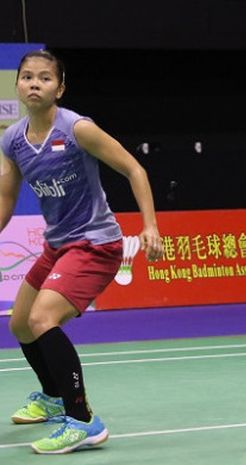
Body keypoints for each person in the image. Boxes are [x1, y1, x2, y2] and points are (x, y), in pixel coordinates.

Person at [0, 50, 163, 454]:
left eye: (44, 78)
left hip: (95, 242)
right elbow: (5, 199)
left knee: (42, 318)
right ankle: (53, 396)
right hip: (57, 245)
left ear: (60, 87)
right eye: (27, 77)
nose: (34, 83)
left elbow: (134, 170)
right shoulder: (12, 140)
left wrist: (150, 226)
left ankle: (84, 420)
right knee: (20, 324)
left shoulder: (77, 129)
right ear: (18, 84)